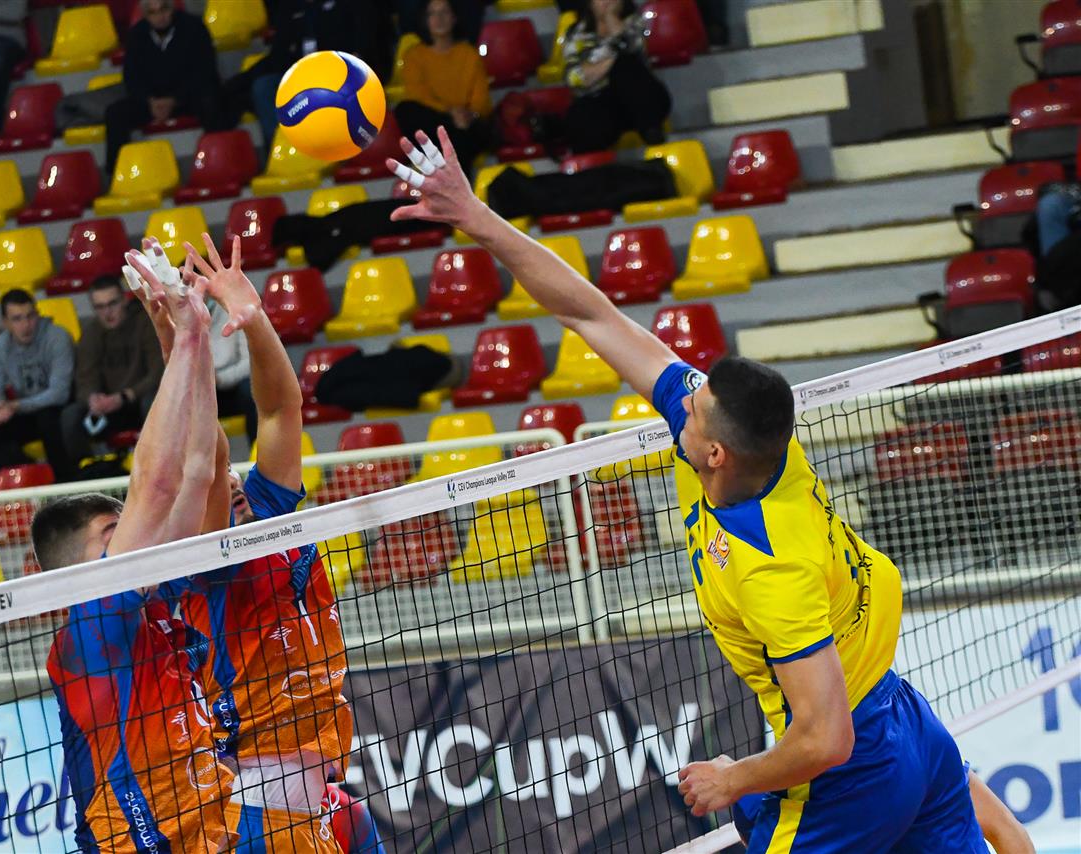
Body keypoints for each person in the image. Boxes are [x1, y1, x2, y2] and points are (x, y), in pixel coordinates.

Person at [386, 127, 1013, 852]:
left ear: (714, 452)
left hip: (853, 767)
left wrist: (733, 777)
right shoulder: (760, 448)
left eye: (695, 404)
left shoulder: (771, 564)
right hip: (904, 717)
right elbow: (589, 314)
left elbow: (826, 738)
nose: (681, 397)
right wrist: (476, 218)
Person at [35, 240, 237, 851]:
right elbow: (158, 482)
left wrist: (189, 341)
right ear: (75, 567)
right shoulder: (93, 621)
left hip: (204, 822)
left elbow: (199, 471)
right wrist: (185, 340)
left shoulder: (151, 600)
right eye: (112, 532)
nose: (135, 535)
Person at [153, 234, 352, 852]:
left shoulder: (269, 512)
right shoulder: (206, 553)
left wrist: (254, 317)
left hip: (311, 793)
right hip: (254, 803)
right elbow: (207, 454)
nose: (237, 482)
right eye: (227, 481)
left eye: (241, 479)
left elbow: (281, 410)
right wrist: (184, 340)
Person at [226, 0, 392, 152]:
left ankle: (338, 147)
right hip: (303, 79)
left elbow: (365, 49)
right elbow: (278, 57)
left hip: (343, 74)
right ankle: (281, 151)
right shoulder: (290, 8)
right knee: (264, 86)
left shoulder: (356, 5)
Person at [105, 0, 225, 176]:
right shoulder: (136, 35)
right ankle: (117, 175)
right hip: (154, 102)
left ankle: (219, 161)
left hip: (189, 97)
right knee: (115, 113)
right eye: (152, 12)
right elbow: (132, 78)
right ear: (145, 15)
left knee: (211, 101)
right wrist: (150, 101)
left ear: (172, 8)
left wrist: (175, 100)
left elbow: (204, 72)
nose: (160, 16)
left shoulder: (194, 27)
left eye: (163, 9)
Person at [60, 276, 164, 473]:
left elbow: (158, 374)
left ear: (124, 300)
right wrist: (93, 398)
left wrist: (125, 396)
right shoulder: (91, 333)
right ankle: (88, 474)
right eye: (99, 307)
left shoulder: (146, 324)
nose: (107, 312)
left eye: (112, 304)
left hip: (139, 400)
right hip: (109, 407)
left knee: (153, 401)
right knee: (70, 415)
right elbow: (84, 379)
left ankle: (159, 469)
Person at [0, 289, 76, 490]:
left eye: (30, 316)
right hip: (24, 411)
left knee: (49, 420)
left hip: (58, 408)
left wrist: (16, 406)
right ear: (5, 323)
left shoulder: (57, 337)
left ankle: (66, 489)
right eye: (17, 319)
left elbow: (59, 394)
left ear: (37, 315)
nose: (26, 325)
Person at [561, 0, 671, 153]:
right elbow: (574, 77)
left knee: (626, 65)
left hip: (641, 98)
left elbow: (632, 48)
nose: (607, 1)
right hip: (601, 102)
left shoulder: (635, 22)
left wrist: (611, 18)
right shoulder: (576, 33)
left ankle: (651, 133)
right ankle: (592, 163)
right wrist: (614, 57)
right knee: (582, 114)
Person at [395, 0, 492, 174]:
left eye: (444, 12)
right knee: (406, 110)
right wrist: (450, 113)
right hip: (438, 122)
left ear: (454, 18)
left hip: (465, 123)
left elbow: (481, 100)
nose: (439, 18)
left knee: (472, 131)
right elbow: (417, 95)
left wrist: (469, 115)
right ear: (425, 20)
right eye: (432, 14)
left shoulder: (469, 54)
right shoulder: (413, 55)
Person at [208, 297, 259, 444]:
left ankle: (259, 451)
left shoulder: (235, 310)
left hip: (232, 384)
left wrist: (220, 378)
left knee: (252, 391)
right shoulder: (179, 314)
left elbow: (249, 363)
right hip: (202, 387)